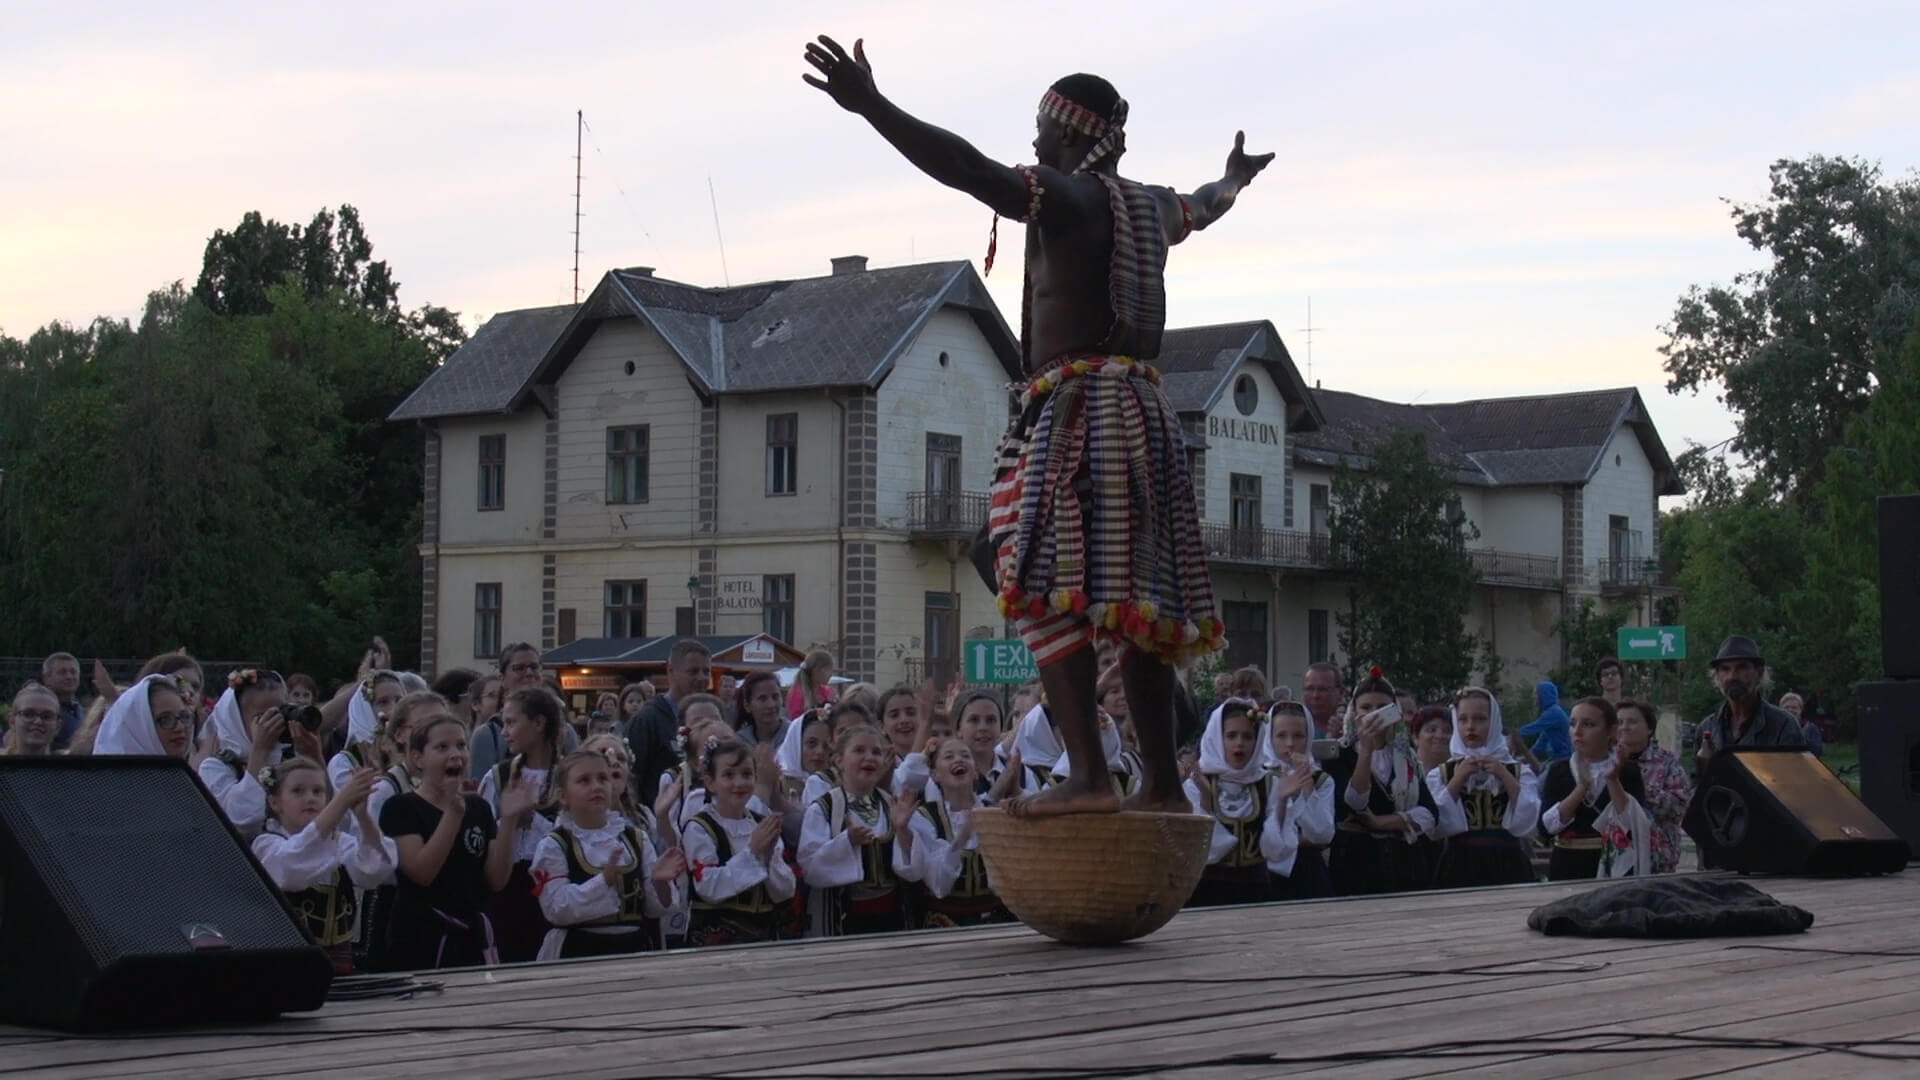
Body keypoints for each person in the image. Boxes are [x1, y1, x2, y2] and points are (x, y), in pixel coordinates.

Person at [805, 39, 1269, 817]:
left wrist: (873, 107)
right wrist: (1235, 177)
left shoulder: (1067, 196)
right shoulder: (1152, 206)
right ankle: (1159, 784)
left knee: (1032, 578)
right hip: (1146, 417)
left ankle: (1089, 775)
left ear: (1070, 132)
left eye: (1041, 129)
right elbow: (1206, 203)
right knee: (1139, 604)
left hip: (1080, 409)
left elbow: (966, 167)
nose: (1033, 143)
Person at [379, 713, 528, 970]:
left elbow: (497, 879)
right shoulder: (401, 807)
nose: (455, 754)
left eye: (461, 745)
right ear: (418, 758)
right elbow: (422, 873)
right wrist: (453, 813)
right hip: (423, 939)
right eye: (442, 747)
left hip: (472, 939)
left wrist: (510, 820)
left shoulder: (478, 807)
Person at [533, 750, 685, 959]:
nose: (596, 786)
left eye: (602, 778)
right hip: (579, 952)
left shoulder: (636, 839)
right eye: (584, 780)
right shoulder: (554, 845)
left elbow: (654, 909)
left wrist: (660, 883)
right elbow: (556, 909)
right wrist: (602, 882)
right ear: (563, 795)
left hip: (634, 949)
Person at [252, 758, 395, 973]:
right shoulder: (266, 845)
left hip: (340, 968)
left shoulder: (339, 842)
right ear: (275, 803)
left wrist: (362, 815)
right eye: (298, 791)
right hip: (286, 968)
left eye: (318, 791)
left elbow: (374, 871)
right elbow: (291, 867)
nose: (310, 798)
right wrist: (341, 802)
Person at [478, 686, 566, 963]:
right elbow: (485, 832)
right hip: (509, 888)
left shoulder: (569, 775)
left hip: (556, 884)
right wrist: (510, 820)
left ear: (538, 723)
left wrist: (534, 819)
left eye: (512, 722)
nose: (505, 732)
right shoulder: (499, 777)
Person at [682, 738, 796, 946]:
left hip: (763, 936)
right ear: (710, 783)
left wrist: (768, 857)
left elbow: (785, 892)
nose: (739, 783)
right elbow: (708, 887)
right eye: (728, 775)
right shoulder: (700, 827)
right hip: (716, 941)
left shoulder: (762, 821)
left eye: (746, 774)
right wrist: (752, 852)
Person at [1331, 668, 1435, 895]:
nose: (1374, 714)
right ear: (1354, 712)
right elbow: (1354, 803)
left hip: (1404, 861)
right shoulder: (1341, 753)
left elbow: (1429, 812)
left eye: (1382, 708)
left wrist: (1381, 823)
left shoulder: (1406, 756)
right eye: (1366, 708)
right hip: (1357, 862)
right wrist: (1366, 751)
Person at [1427, 688, 1540, 888]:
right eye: (1463, 719)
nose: (1470, 727)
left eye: (1480, 719)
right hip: (1458, 865)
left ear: (1494, 721)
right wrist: (1459, 778)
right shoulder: (1442, 774)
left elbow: (1529, 818)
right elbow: (1435, 821)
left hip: (1508, 864)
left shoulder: (1518, 772)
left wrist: (1503, 775)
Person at [798, 723, 903, 935]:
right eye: (859, 750)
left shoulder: (891, 804)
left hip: (893, 917)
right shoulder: (823, 808)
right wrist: (846, 842)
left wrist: (905, 830)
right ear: (839, 760)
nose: (869, 757)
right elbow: (809, 866)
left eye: (876, 752)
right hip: (843, 919)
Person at [894, 737, 1010, 927]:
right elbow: (938, 884)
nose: (959, 759)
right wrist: (960, 841)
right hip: (946, 926)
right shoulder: (926, 817)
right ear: (935, 774)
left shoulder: (993, 813)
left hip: (995, 921)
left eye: (966, 755)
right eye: (948, 756)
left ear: (975, 772)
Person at [201, 670, 318, 839]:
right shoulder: (214, 768)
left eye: (280, 712)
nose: (275, 724)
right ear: (236, 722)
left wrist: (314, 757)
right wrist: (259, 751)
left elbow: (330, 813)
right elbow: (243, 821)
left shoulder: (290, 759)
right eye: (263, 717)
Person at [1539, 698, 1649, 880]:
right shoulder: (1560, 770)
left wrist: (1613, 779)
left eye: (1589, 724)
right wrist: (1582, 787)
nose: (1578, 732)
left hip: (1613, 866)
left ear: (1611, 731)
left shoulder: (1627, 770)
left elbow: (1632, 826)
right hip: (1568, 866)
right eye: (1573, 724)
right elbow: (1546, 828)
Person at [1183, 699, 1273, 907]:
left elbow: (1276, 848)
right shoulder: (1197, 782)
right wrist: (1206, 799)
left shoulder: (1268, 782)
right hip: (1208, 886)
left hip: (1255, 886)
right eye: (1231, 736)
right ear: (1216, 737)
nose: (1239, 743)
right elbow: (1202, 848)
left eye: (1248, 736)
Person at [1694, 635, 1806, 781]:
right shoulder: (1707, 728)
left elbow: (1795, 785)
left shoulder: (1783, 725)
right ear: (1717, 677)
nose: (1732, 676)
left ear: (1759, 674)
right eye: (1725, 669)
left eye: (1742, 668)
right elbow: (1697, 785)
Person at [1261, 701, 1335, 900]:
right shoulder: (1260, 778)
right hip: (1268, 871)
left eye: (1298, 736)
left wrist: (1307, 784)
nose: (1290, 744)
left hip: (1308, 871)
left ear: (1309, 737)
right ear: (1269, 736)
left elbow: (1322, 834)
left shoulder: (1322, 780)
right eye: (1281, 736)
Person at [627, 639, 713, 805]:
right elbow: (631, 778)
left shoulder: (713, 719)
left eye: (706, 671)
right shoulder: (647, 720)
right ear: (671, 671)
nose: (702, 677)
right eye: (693, 671)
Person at [1616, 699, 1690, 875]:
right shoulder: (1605, 762)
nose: (1625, 727)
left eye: (1632, 722)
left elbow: (1679, 806)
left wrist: (1640, 789)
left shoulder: (1666, 762)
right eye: (1619, 722)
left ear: (1649, 728)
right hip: (1617, 853)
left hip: (1658, 855)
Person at [330, 671, 404, 794]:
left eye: (399, 701)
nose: (394, 709)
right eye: (383, 702)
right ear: (364, 709)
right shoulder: (344, 763)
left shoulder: (410, 754)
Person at [91, 674, 195, 758]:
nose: (180, 727)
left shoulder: (184, 777)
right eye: (165, 719)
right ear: (138, 727)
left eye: (184, 717)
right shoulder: (115, 781)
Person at [38, 652, 84, 750]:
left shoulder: (81, 709)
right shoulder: (40, 711)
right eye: (62, 672)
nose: (69, 677)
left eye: (73, 672)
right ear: (47, 678)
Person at [1519, 681, 1572, 764]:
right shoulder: (1549, 713)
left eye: (1536, 694)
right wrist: (1525, 758)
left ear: (1544, 695)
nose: (1534, 697)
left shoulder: (1554, 712)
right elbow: (1542, 742)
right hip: (1556, 758)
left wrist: (1511, 735)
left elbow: (1531, 729)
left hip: (1564, 760)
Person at [3, 683, 61, 756]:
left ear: (58, 726)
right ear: (12, 721)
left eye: (47, 716)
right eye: (28, 714)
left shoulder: (69, 766)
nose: (38, 721)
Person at [734, 670, 788, 748]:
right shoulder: (739, 742)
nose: (771, 704)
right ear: (747, 705)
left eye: (775, 697)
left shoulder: (795, 734)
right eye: (762, 698)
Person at [788, 649, 838, 717]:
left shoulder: (827, 691)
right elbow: (796, 721)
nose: (831, 674)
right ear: (817, 670)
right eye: (829, 669)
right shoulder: (798, 693)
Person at [1301, 662, 1343, 740]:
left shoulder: (1352, 729)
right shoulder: (1292, 729)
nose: (1315, 695)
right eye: (1309, 689)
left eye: (1323, 689)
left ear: (1340, 692)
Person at [1778, 692, 1822, 758]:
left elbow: (1818, 752)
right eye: (1786, 707)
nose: (1790, 710)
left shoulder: (1810, 728)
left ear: (1801, 709)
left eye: (1794, 707)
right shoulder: (1774, 727)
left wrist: (1800, 736)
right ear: (1780, 709)